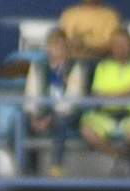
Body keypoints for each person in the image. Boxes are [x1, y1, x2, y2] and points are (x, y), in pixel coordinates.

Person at [80, 29, 130, 167]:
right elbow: (98, 94)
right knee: (87, 131)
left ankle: (121, 161)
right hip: (106, 115)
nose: (120, 48)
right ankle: (119, 157)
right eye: (116, 44)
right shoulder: (103, 67)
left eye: (124, 44)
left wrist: (112, 95)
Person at [24, 28, 86, 173]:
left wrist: (51, 117)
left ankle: (56, 167)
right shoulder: (38, 66)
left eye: (61, 45)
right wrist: (34, 116)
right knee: (20, 120)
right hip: (42, 111)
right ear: (48, 47)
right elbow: (31, 93)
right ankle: (27, 168)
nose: (57, 49)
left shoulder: (75, 67)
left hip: (68, 113)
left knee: (61, 121)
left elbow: (73, 98)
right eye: (54, 45)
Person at [56, 0, 122, 60]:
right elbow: (58, 44)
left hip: (101, 61)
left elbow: (113, 47)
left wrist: (85, 48)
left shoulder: (110, 16)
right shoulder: (69, 15)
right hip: (71, 62)